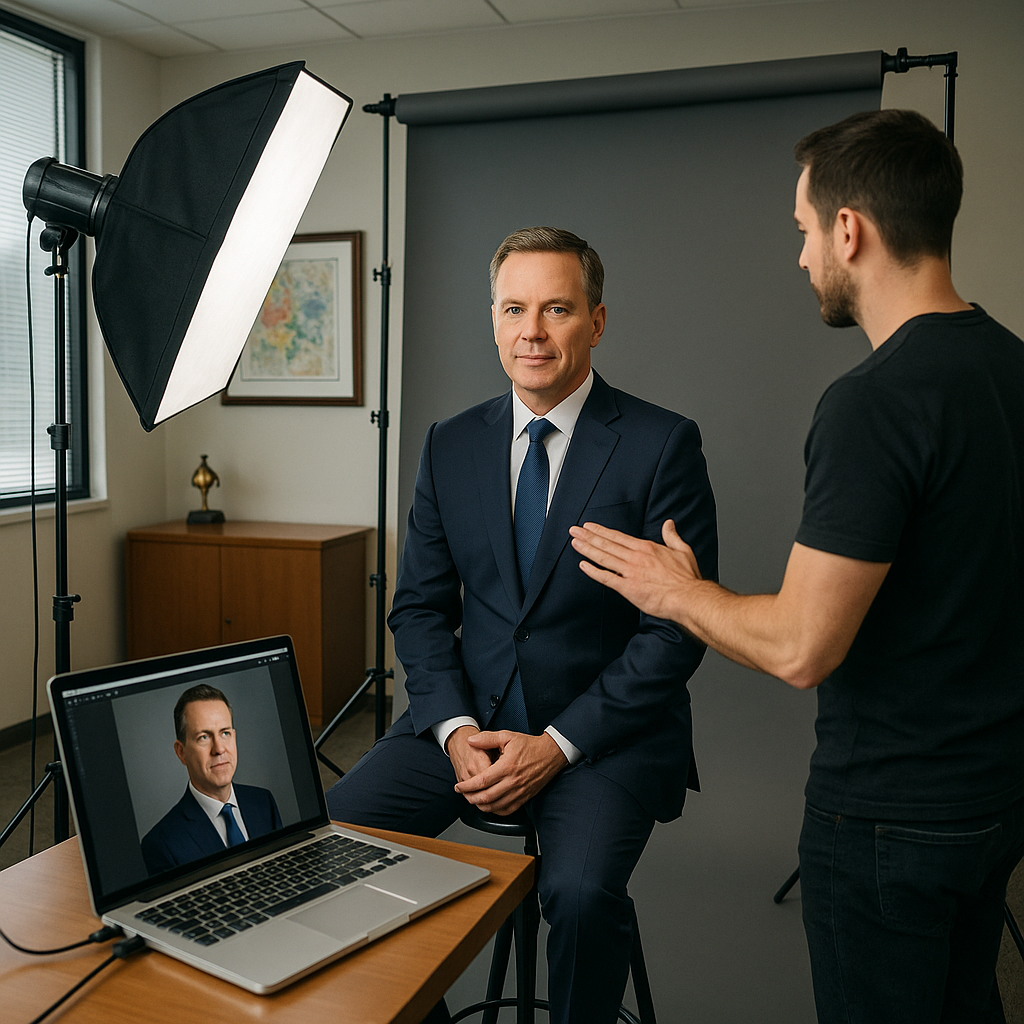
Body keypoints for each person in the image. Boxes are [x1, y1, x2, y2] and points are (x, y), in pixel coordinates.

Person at [570, 109, 1024, 1023]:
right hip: (995, 799)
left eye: (806, 230)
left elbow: (801, 647)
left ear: (849, 229)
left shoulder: (873, 403)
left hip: (891, 818)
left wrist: (678, 592)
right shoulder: (1010, 366)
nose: (804, 256)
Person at [326, 226, 717, 1024]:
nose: (531, 330)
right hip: (468, 720)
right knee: (331, 842)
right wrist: (453, 728)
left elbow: (676, 632)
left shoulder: (659, 444)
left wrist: (558, 744)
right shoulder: (449, 445)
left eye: (556, 308)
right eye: (514, 308)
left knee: (575, 895)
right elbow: (421, 610)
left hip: (603, 738)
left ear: (597, 322)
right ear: (494, 319)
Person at [141, 683, 282, 875]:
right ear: (181, 752)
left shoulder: (264, 802)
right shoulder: (161, 844)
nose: (219, 749)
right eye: (204, 737)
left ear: (234, 737)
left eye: (225, 733)